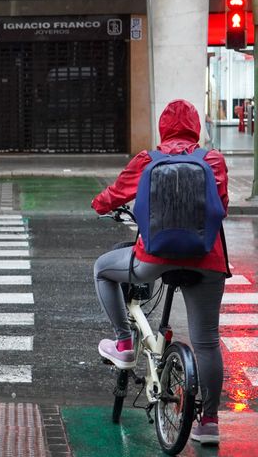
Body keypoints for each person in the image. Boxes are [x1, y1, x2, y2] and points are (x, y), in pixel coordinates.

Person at [91, 99, 228, 445]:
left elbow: (114, 195)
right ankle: (209, 422)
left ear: (162, 128)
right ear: (196, 128)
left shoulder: (147, 160)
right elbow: (221, 206)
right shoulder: (212, 161)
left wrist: (98, 204)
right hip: (207, 259)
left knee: (102, 270)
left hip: (154, 258)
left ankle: (124, 342)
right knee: (207, 341)